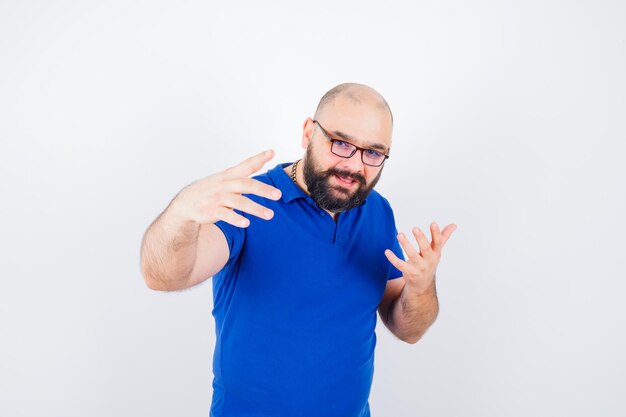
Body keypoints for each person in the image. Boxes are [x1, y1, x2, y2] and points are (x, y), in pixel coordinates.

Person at [140, 83, 457, 417]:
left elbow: (408, 329)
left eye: (373, 153)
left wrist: (422, 288)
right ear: (309, 133)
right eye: (340, 143)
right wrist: (181, 213)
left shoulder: (378, 211)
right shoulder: (249, 200)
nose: (353, 165)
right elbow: (164, 276)